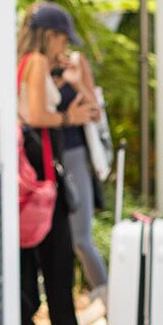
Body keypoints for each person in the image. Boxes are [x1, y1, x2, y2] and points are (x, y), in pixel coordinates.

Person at [17, 2, 101, 325]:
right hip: (42, 169)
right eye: (62, 38)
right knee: (58, 254)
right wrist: (69, 116)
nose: (63, 46)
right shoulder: (35, 62)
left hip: (36, 169)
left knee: (44, 254)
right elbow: (36, 115)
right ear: (50, 36)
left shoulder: (31, 64)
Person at [54, 49, 108, 303]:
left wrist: (74, 81)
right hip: (44, 156)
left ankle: (110, 303)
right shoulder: (34, 64)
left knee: (81, 239)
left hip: (74, 154)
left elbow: (95, 111)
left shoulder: (74, 61)